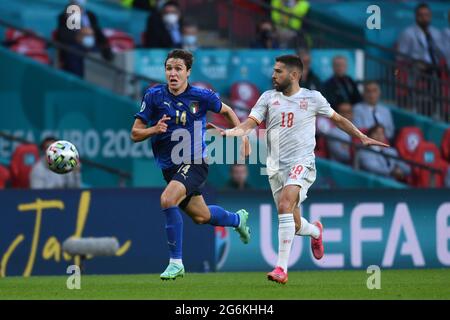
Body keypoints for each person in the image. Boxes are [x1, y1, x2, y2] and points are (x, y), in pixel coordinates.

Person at [208, 55, 388, 284]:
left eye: (278, 71)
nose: (273, 75)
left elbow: (338, 119)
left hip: (302, 162)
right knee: (292, 223)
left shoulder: (313, 98)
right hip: (274, 167)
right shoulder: (267, 98)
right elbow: (249, 124)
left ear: (294, 75)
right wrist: (228, 133)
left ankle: (281, 268)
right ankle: (315, 231)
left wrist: (361, 137)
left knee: (285, 204)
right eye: (273, 71)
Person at [130, 49, 251, 280]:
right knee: (202, 216)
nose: (172, 73)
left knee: (167, 199)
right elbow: (135, 133)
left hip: (195, 161)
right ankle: (237, 219)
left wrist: (242, 136)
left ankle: (176, 263)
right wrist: (154, 129)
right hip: (170, 167)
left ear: (188, 72)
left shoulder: (201, 96)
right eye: (169, 69)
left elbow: (227, 111)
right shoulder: (153, 95)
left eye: (178, 69)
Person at [55, 0, 113, 77]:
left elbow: (99, 34)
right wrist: (80, 34)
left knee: (101, 53)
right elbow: (64, 36)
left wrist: (105, 46)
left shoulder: (90, 15)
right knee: (74, 52)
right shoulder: (67, 15)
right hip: (75, 47)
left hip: (92, 46)